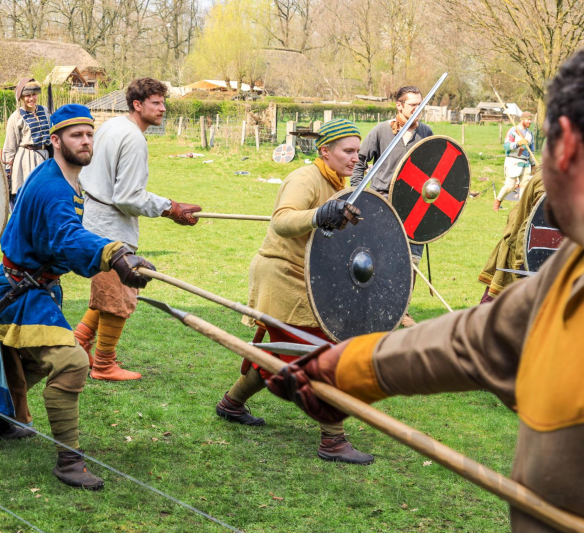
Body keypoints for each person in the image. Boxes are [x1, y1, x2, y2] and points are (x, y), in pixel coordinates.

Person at [265, 48, 584, 531]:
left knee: (276, 345)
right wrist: (348, 370)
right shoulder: (571, 267)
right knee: (276, 346)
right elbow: (483, 337)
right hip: (299, 267)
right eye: (346, 152)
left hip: (387, 226)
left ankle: (287, 417)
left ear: (564, 148)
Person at [0, 104, 156, 490]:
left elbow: (58, 242)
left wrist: (112, 254)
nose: (86, 141)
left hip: (30, 284)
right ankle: (69, 462)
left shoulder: (60, 176)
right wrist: (114, 254)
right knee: (73, 362)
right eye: (76, 135)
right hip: (21, 290)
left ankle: (0, 420)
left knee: (38, 359)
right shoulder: (55, 187)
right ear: (55, 141)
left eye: (89, 134)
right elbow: (65, 236)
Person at [214, 119, 373, 465]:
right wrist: (320, 214)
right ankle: (333, 440)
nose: (354, 158)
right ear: (325, 151)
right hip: (282, 275)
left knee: (280, 353)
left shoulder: (340, 184)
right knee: (320, 356)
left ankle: (231, 403)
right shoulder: (306, 179)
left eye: (358, 152)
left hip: (308, 279)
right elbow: (282, 221)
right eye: (348, 151)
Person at [73, 77, 201, 381]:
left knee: (107, 290)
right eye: (156, 103)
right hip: (109, 223)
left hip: (95, 217)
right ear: (137, 105)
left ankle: (79, 345)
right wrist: (170, 207)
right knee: (120, 292)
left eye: (163, 102)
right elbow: (128, 197)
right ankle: (104, 364)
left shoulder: (113, 125)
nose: (163, 108)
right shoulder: (132, 137)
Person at [351, 86, 434, 327]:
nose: (418, 109)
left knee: (411, 262)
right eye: (413, 105)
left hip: (414, 205)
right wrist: (361, 194)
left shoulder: (426, 132)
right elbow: (359, 163)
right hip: (383, 202)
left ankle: (401, 310)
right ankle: (373, 307)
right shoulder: (381, 131)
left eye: (421, 105)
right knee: (380, 258)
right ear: (399, 105)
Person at [478, 176, 545, 303]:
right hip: (520, 251)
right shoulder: (549, 182)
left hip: (527, 251)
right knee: (495, 308)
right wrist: (523, 265)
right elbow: (532, 227)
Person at [2, 78, 51, 205]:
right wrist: (8, 173)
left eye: (34, 94)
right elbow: (9, 147)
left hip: (45, 158)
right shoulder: (16, 117)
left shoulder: (44, 111)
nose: (31, 98)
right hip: (26, 161)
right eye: (27, 95)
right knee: (28, 199)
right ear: (21, 97)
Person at [494, 111, 536, 211]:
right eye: (528, 119)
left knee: (524, 187)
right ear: (522, 120)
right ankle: (498, 201)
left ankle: (520, 209)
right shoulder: (513, 131)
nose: (530, 122)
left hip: (525, 162)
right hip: (513, 161)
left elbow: (531, 151)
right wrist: (518, 143)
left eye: (531, 119)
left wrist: (533, 164)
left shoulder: (530, 134)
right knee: (510, 187)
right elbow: (506, 146)